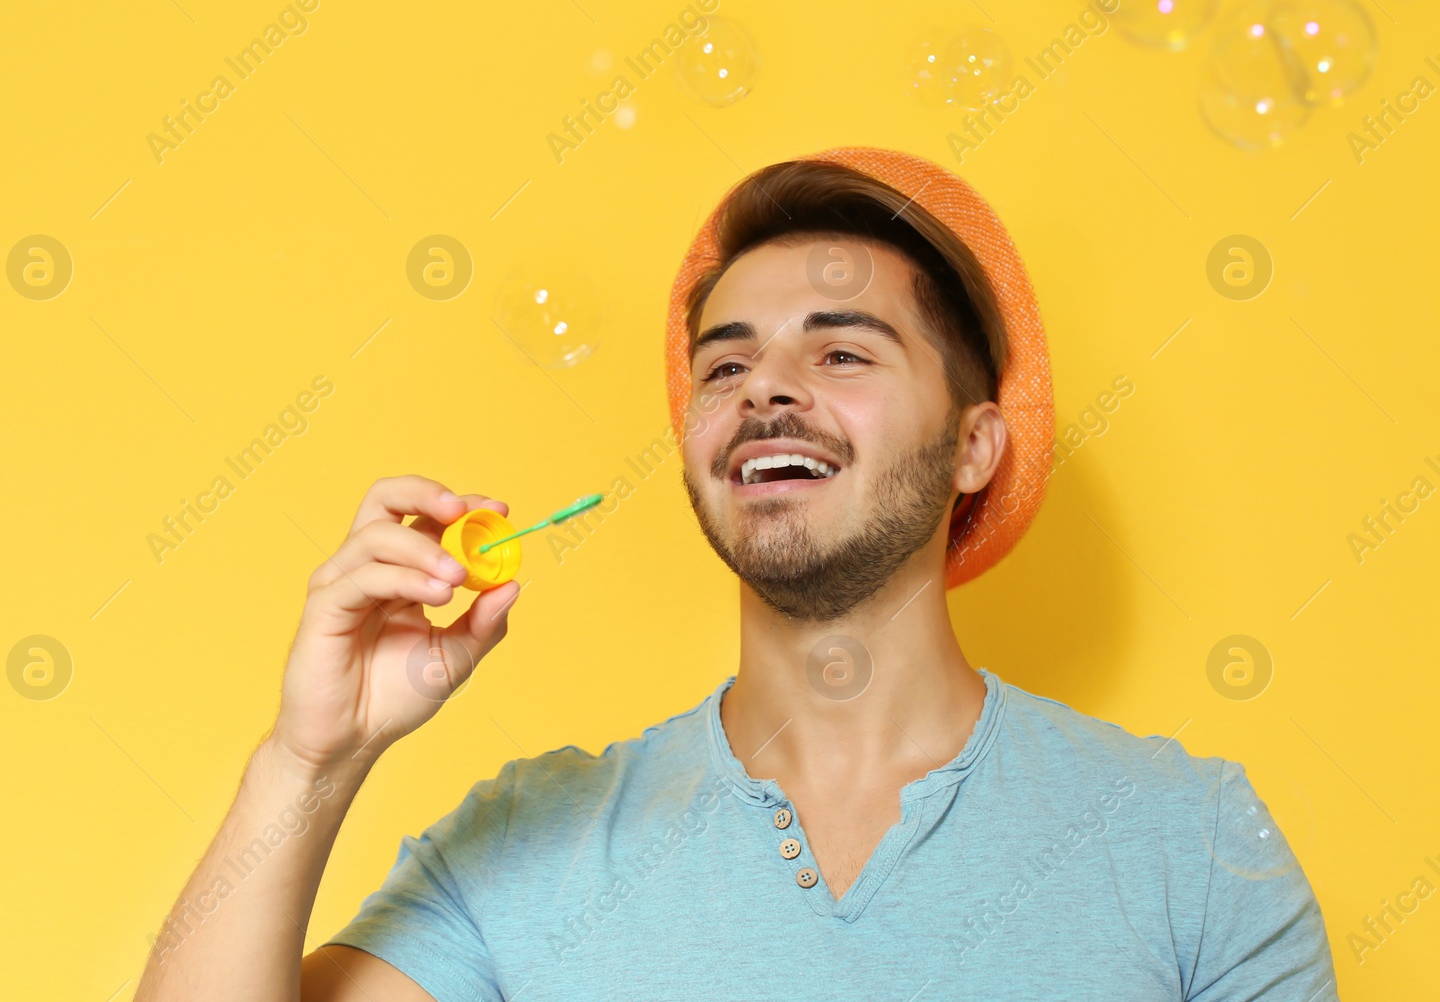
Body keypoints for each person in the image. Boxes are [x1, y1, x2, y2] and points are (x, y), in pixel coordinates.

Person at [134, 149, 1336, 1001]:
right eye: (724, 366)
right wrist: (313, 758)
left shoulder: (1187, 842)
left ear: (975, 443)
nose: (762, 388)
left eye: (842, 349)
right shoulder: (528, 844)